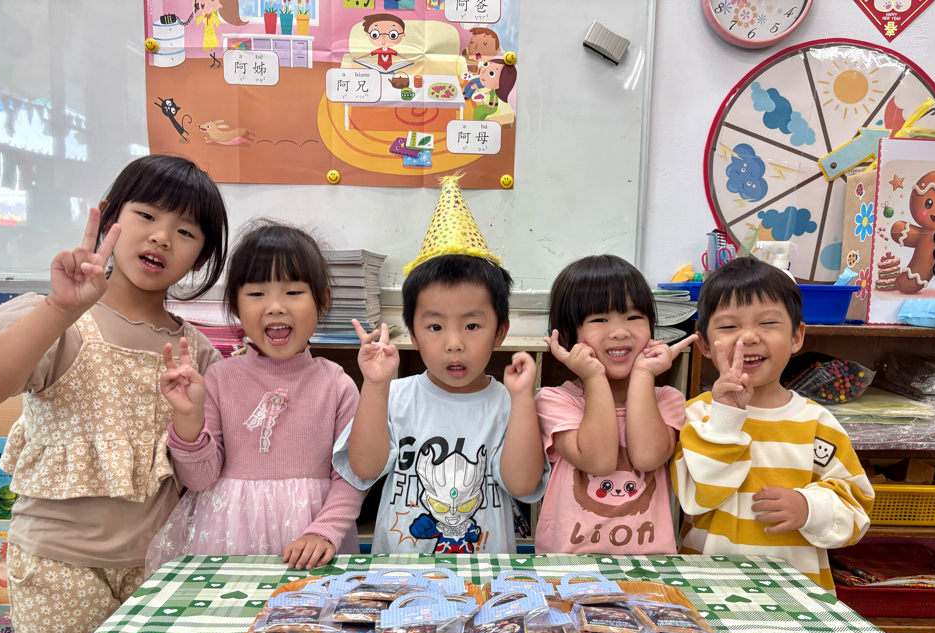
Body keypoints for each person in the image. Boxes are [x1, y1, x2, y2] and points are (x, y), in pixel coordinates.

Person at [0, 154, 229, 633]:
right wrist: (59, 309)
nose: (161, 237)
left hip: (158, 564)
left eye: (185, 231)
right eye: (146, 215)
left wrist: (189, 415)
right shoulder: (61, 319)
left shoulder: (196, 354)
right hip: (56, 565)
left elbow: (199, 475)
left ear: (201, 257)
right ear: (110, 220)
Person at [332, 176, 548, 555]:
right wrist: (376, 386)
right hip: (400, 572)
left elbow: (522, 485)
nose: (454, 343)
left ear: (500, 331)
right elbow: (365, 469)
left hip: (485, 574)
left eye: (472, 325)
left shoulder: (507, 403)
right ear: (413, 335)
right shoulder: (396, 396)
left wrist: (522, 400)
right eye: (435, 327)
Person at [146, 222, 365, 575]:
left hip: (313, 540)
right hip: (228, 538)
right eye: (257, 293)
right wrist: (187, 419)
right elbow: (199, 480)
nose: (275, 307)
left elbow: (352, 475)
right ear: (235, 303)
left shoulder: (337, 385)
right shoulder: (218, 378)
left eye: (293, 292)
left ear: (322, 300)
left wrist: (325, 531)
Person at [672, 257, 874, 592]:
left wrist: (810, 508)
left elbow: (856, 507)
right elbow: (698, 497)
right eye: (729, 326)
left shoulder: (817, 423)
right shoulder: (696, 415)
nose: (749, 337)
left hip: (798, 595)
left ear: (797, 336)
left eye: (767, 323)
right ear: (704, 344)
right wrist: (725, 417)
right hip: (708, 586)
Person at [535, 255, 696, 556]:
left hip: (650, 566)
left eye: (634, 317)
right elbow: (598, 461)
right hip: (570, 566)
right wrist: (593, 376)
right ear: (568, 335)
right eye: (600, 320)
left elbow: (647, 457)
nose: (620, 332)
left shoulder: (667, 399)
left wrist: (644, 374)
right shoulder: (555, 400)